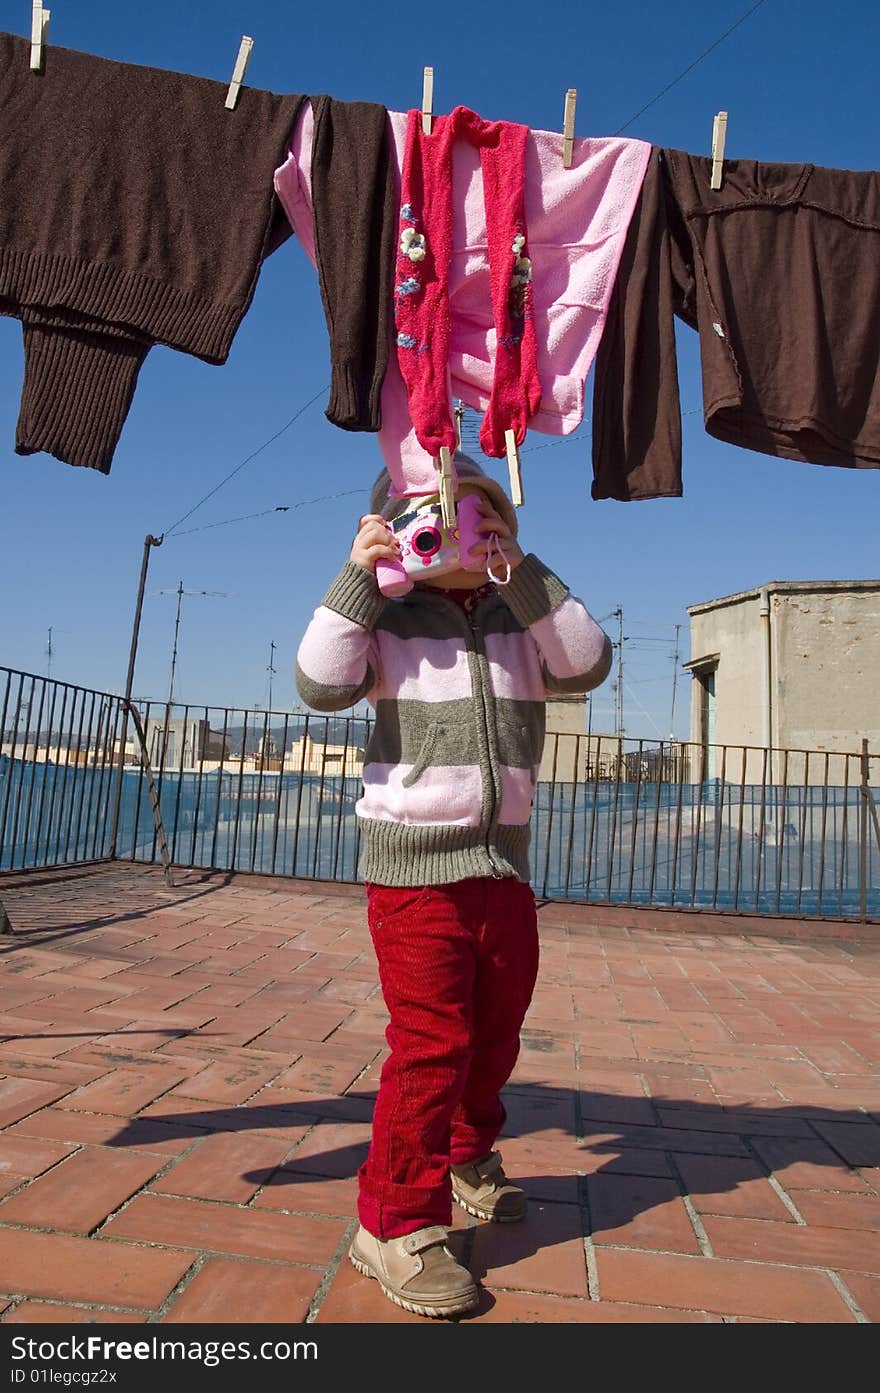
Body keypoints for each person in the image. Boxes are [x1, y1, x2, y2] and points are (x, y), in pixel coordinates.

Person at [295, 453, 612, 1318]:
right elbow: (319, 682)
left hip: (502, 862)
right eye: (434, 520)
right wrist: (359, 579)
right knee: (432, 1040)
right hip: (413, 870)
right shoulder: (388, 621)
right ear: (397, 531)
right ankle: (394, 1220)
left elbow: (586, 664)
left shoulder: (521, 610)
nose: (459, 537)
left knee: (499, 1024)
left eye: (478, 517)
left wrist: (530, 571)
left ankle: (469, 1152)